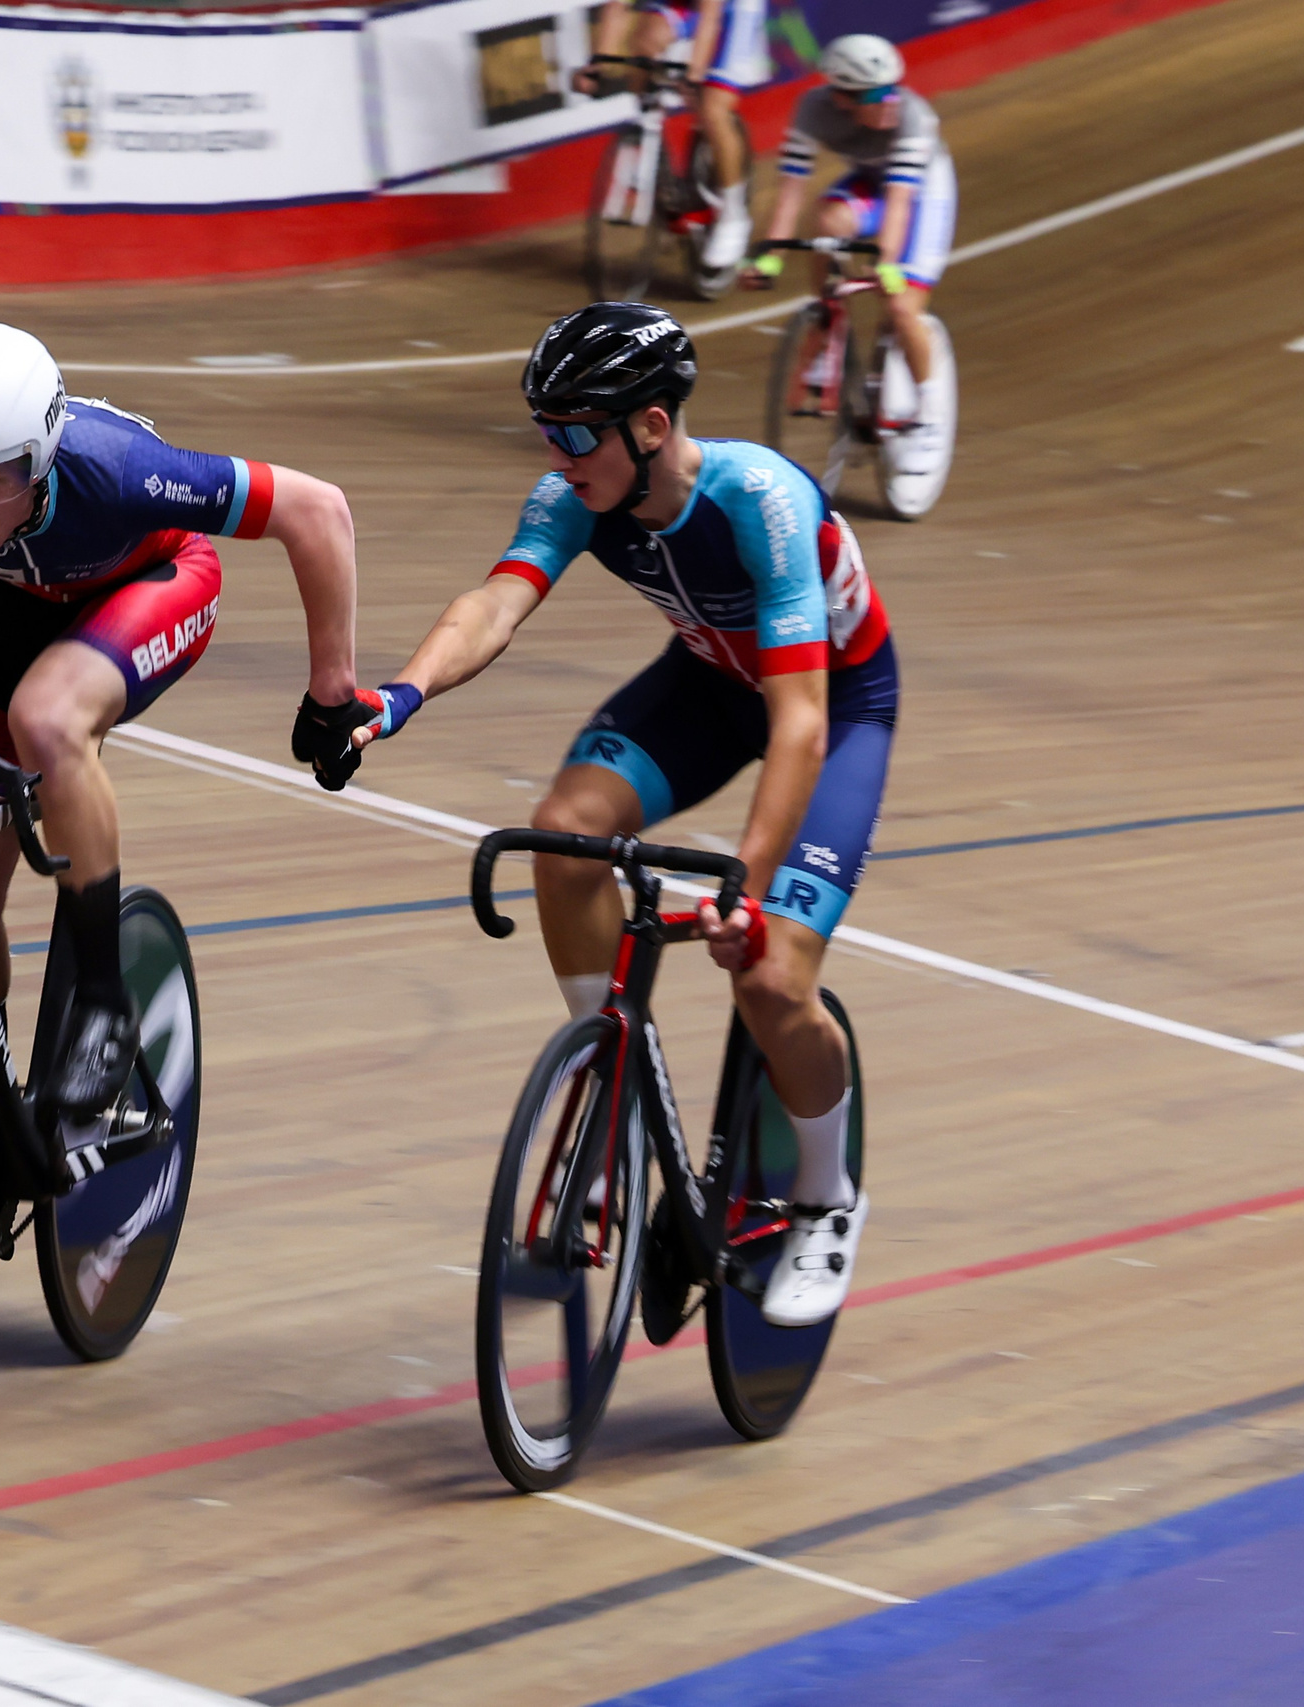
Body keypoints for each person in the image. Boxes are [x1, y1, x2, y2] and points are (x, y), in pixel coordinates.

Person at [321, 303, 897, 1327]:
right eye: (548, 429)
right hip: (712, 686)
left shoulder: (759, 498)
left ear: (653, 427)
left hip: (834, 702)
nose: (558, 452)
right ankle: (606, 1082)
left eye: (577, 430)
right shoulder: (573, 496)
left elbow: (800, 723)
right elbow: (493, 604)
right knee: (565, 830)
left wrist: (748, 895)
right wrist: (394, 697)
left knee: (768, 976)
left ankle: (826, 1198)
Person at [0, 323, 365, 1132]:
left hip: (157, 579)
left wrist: (332, 692)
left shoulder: (120, 472)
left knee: (45, 717)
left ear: (40, 461)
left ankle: (105, 1006)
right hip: (21, 602)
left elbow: (317, 511)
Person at [744, 32, 955, 463]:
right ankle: (827, 327)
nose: (889, 102)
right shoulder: (813, 109)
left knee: (900, 309)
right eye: (876, 95)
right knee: (827, 224)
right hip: (871, 183)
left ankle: (929, 412)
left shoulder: (913, 117)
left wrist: (889, 262)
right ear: (842, 97)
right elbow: (790, 193)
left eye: (890, 90)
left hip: (921, 192)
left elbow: (899, 202)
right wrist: (769, 255)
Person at [576, 0, 768, 271]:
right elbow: (616, 7)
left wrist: (695, 74)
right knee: (644, 42)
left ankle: (733, 215)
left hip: (732, 8)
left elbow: (709, 18)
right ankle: (648, 132)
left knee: (712, 107)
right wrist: (595, 66)